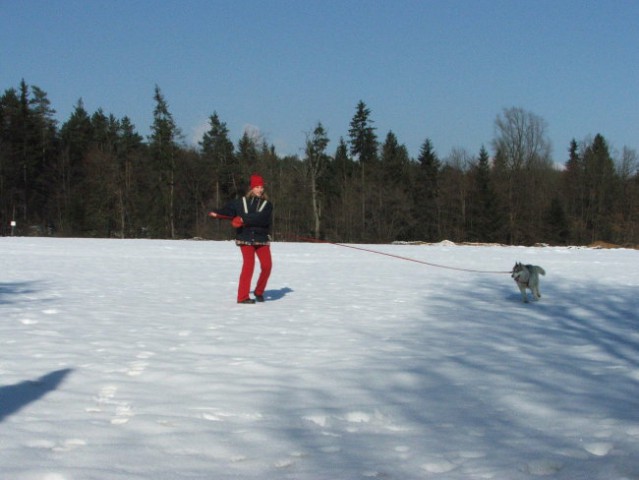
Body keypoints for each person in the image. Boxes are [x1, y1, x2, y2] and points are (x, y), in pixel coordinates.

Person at [208, 174, 273, 304]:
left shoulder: (267, 204)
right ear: (251, 188)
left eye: (261, 187)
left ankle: (259, 291)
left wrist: (243, 219)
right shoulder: (240, 202)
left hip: (261, 238)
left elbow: (262, 219)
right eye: (257, 187)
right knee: (249, 266)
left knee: (267, 266)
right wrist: (217, 213)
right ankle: (242, 297)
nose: (260, 190)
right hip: (245, 238)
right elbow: (228, 211)